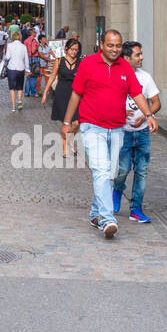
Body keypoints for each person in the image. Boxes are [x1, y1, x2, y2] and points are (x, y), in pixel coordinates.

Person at [61, 29, 158, 239]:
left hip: (116, 128)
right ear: (101, 44)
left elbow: (137, 93)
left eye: (118, 45)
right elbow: (76, 94)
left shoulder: (125, 67)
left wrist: (149, 114)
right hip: (92, 126)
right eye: (110, 45)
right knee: (101, 171)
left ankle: (96, 213)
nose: (114, 49)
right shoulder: (87, 64)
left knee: (110, 174)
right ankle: (107, 219)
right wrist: (67, 123)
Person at [112, 42, 161, 224]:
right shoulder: (116, 76)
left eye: (141, 54)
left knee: (141, 171)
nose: (141, 58)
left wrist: (147, 115)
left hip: (141, 133)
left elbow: (156, 102)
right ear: (126, 58)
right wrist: (119, 111)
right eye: (138, 55)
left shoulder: (145, 78)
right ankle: (117, 190)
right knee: (123, 169)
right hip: (122, 132)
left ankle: (136, 209)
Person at [41, 37, 82, 158]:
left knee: (76, 123)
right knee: (66, 122)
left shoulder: (80, 62)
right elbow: (52, 77)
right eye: (72, 49)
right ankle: (65, 147)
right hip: (62, 93)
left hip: (75, 94)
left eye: (76, 50)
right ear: (66, 49)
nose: (74, 52)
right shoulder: (59, 61)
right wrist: (44, 93)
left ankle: (70, 140)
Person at [4, 30, 29, 113]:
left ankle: (14, 107)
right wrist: (27, 69)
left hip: (11, 68)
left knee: (12, 88)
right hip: (21, 68)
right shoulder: (23, 46)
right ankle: (19, 100)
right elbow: (26, 59)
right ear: (20, 37)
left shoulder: (9, 45)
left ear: (13, 37)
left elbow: (7, 57)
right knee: (20, 87)